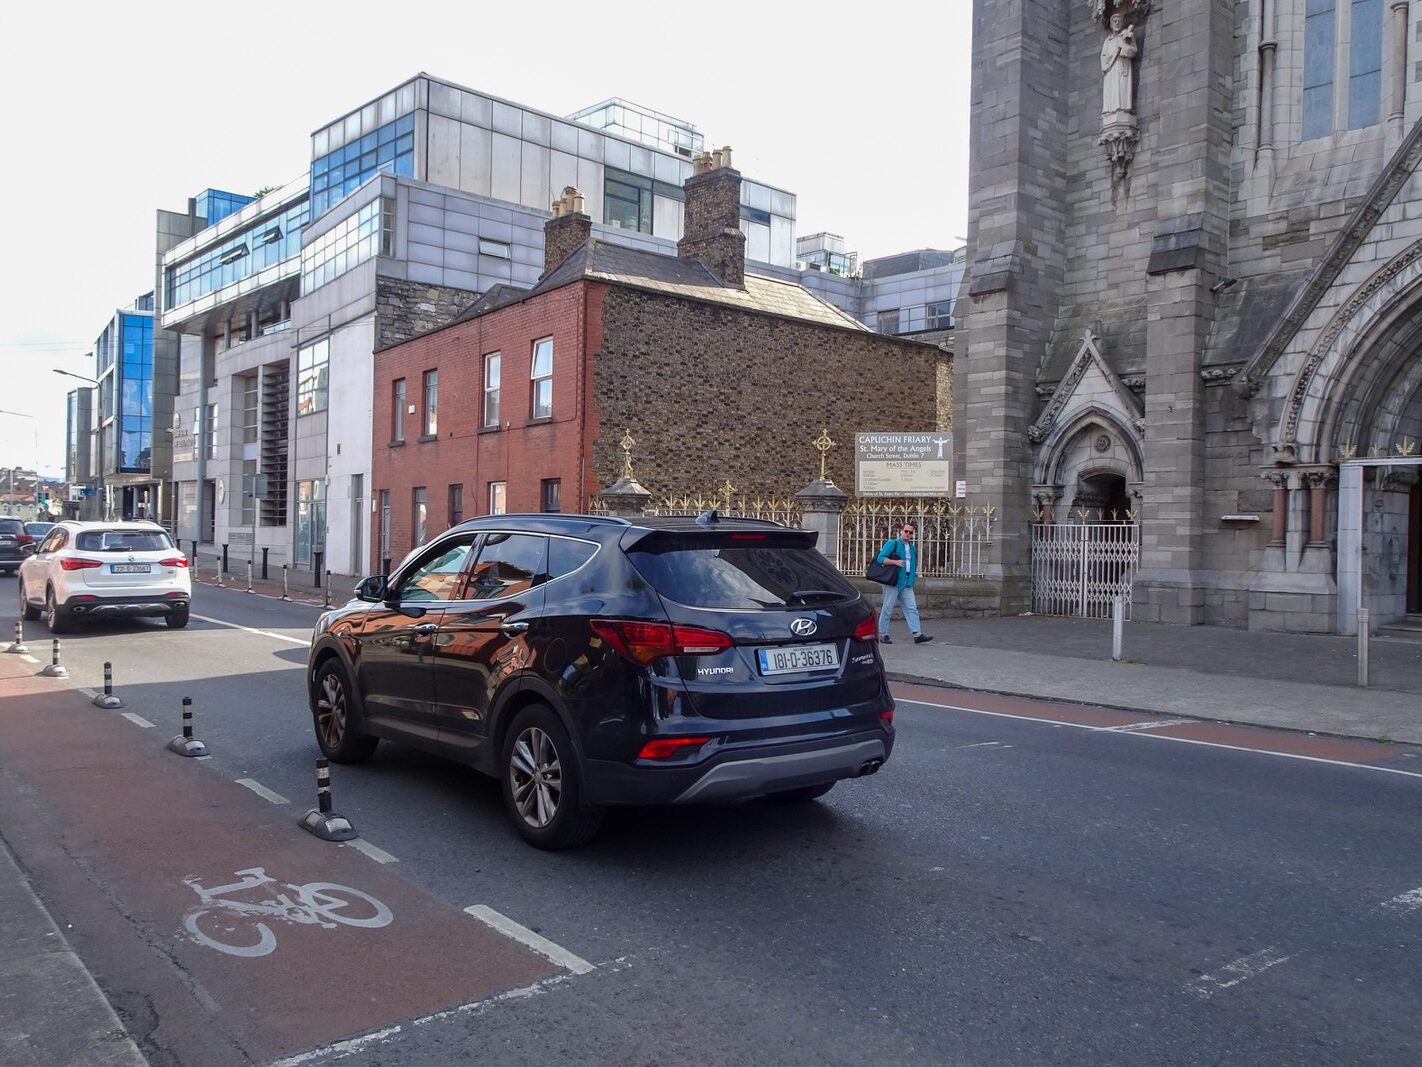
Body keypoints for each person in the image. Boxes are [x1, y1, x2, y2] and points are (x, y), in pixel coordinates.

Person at [875, 522, 933, 644]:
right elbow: (880, 558)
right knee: (887, 608)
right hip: (893, 581)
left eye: (910, 532)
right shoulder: (893, 543)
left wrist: (911, 581)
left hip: (906, 583)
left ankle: (917, 634)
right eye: (906, 531)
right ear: (901, 531)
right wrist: (895, 562)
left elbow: (911, 565)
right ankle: (882, 634)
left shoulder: (911, 548)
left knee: (912, 608)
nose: (908, 534)